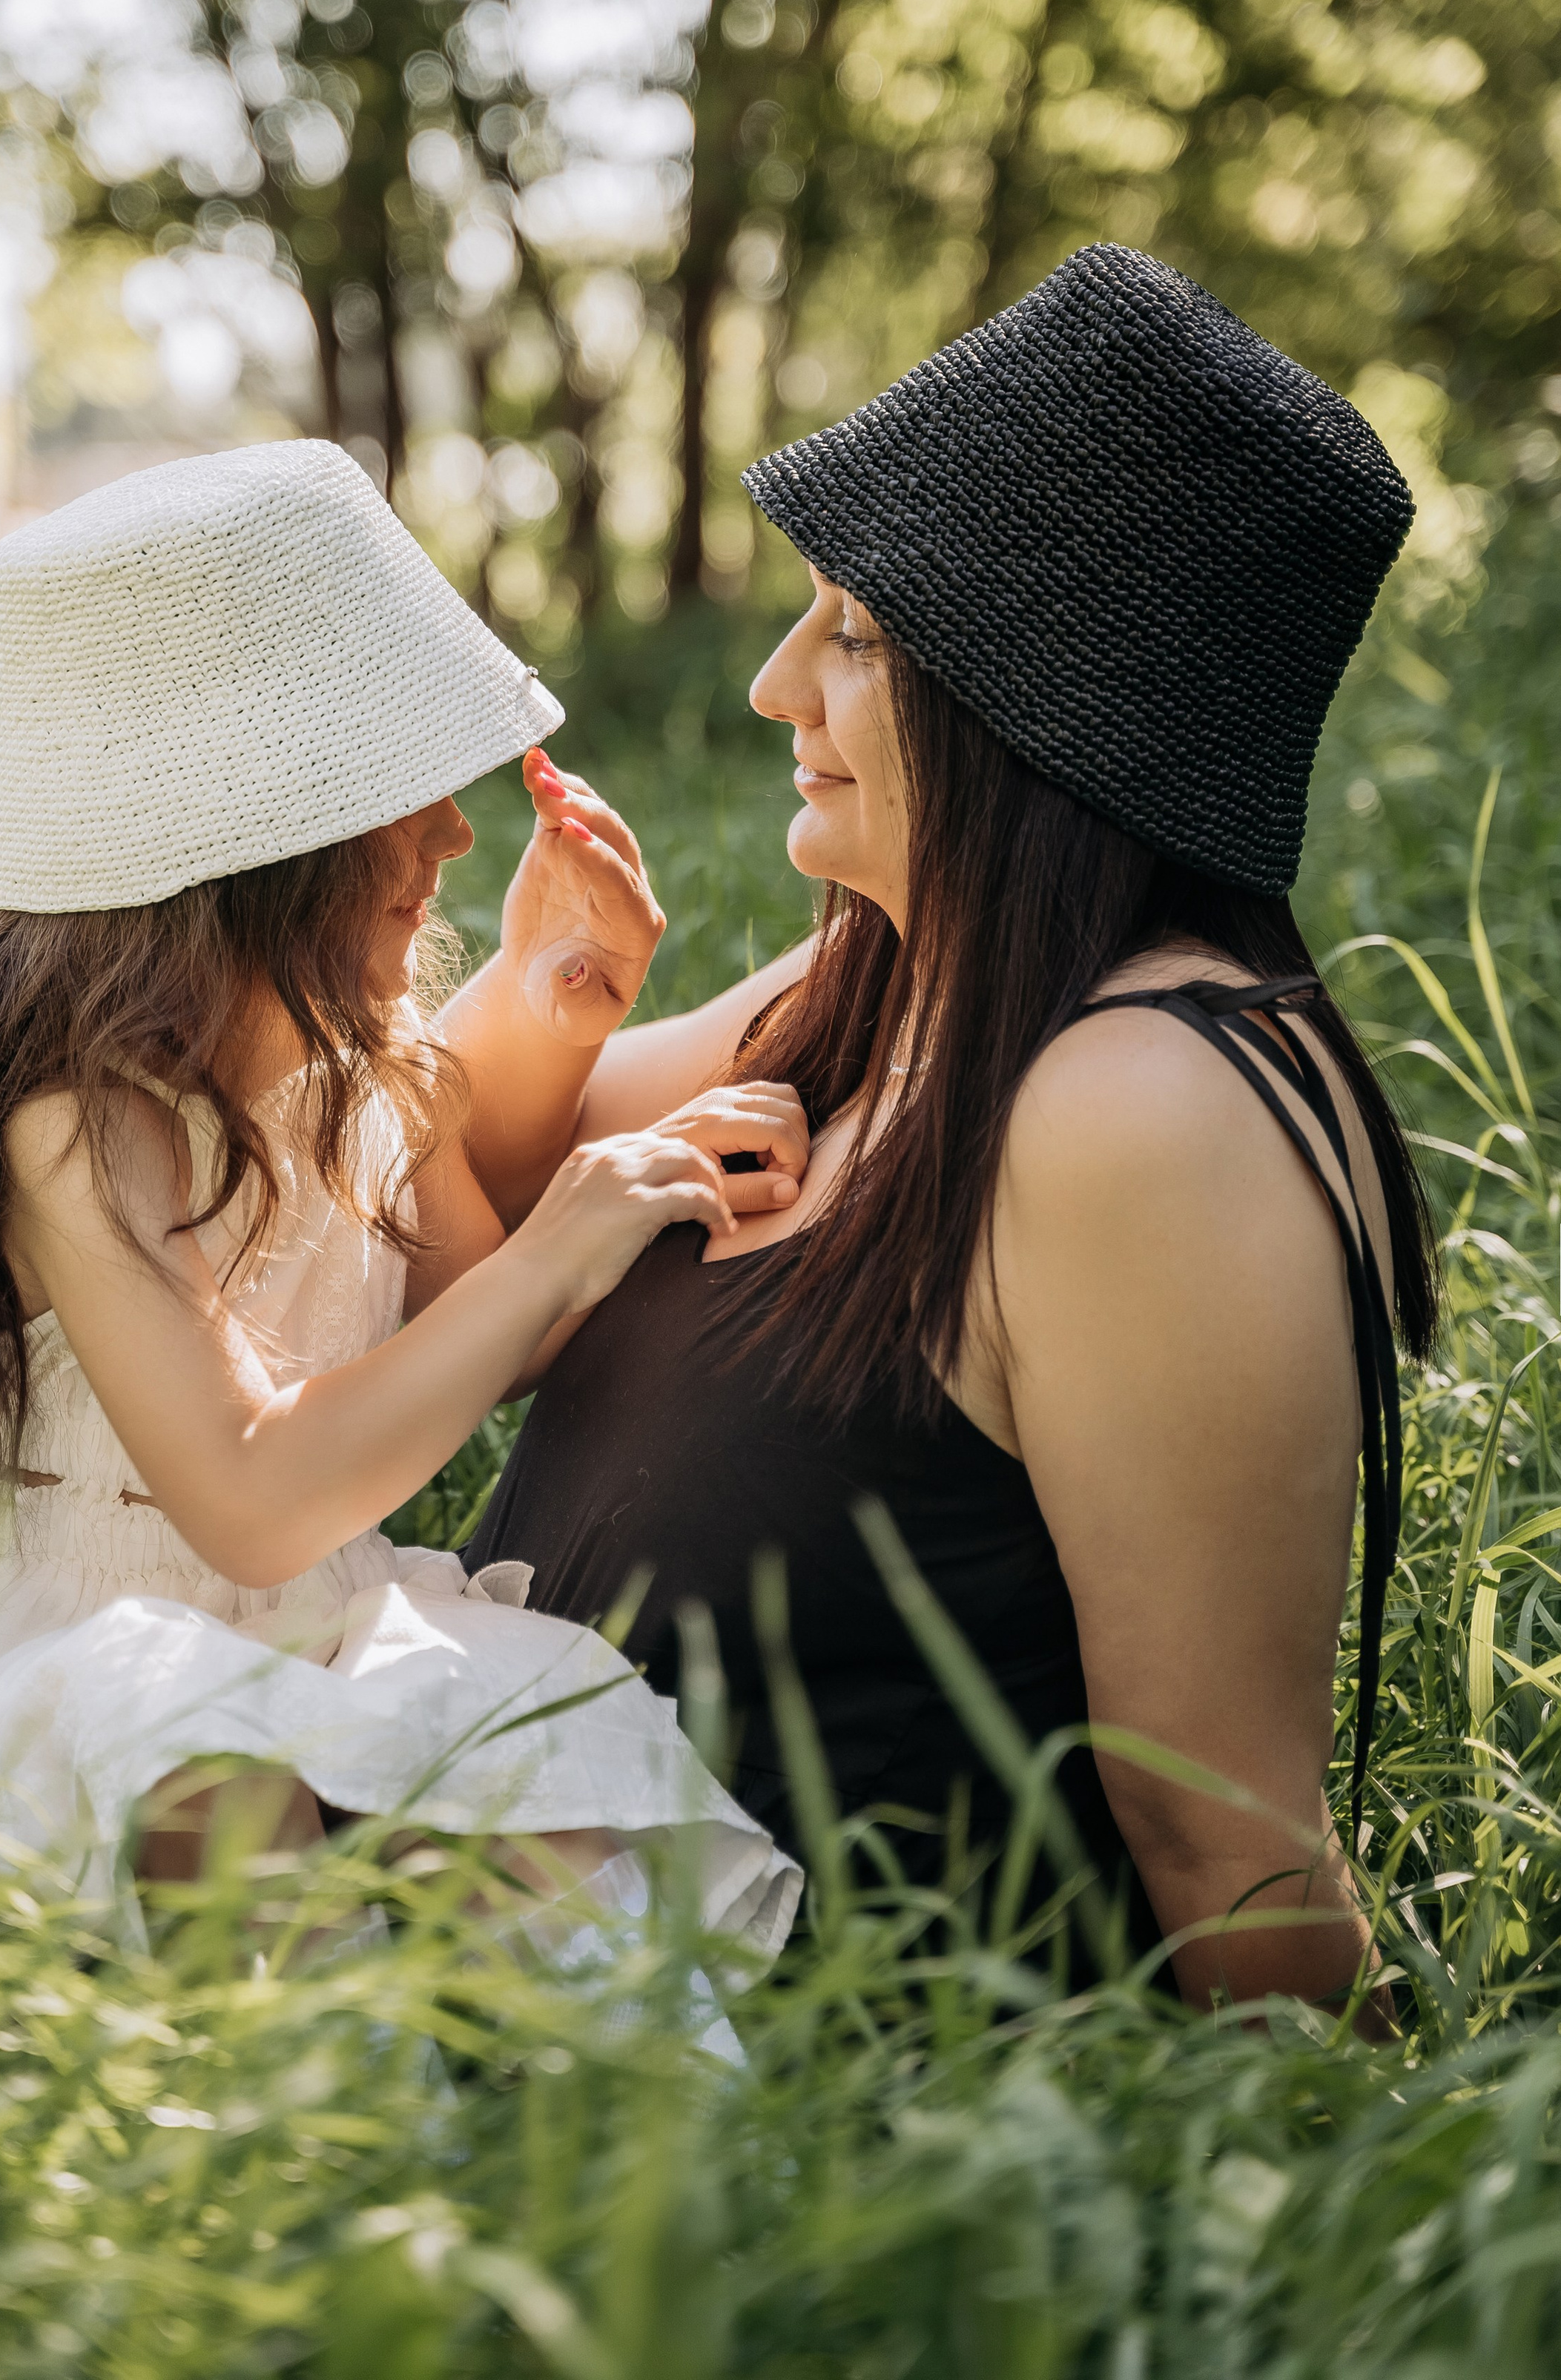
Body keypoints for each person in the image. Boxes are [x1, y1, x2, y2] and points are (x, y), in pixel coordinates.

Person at [470, 244, 1434, 2023]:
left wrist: (1378, 2242)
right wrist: (552, 988)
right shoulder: (885, 985)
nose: (775, 687)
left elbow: (1216, 1825)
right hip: (503, 1949)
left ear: (1041, 708)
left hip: (775, 2133)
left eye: (852, 633)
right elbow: (453, 1201)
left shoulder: (1144, 1110)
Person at [0, 441, 799, 1969]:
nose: (457, 840)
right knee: (218, 1763)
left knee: (519, 1757)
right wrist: (563, 1240)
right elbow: (256, 1502)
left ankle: (678, 2131)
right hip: (89, 1675)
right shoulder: (80, 1130)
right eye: (402, 804)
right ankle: (316, 2139)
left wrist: (549, 1007)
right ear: (258, 855)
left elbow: (478, 1328)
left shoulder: (359, 1067)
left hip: (323, 1626)